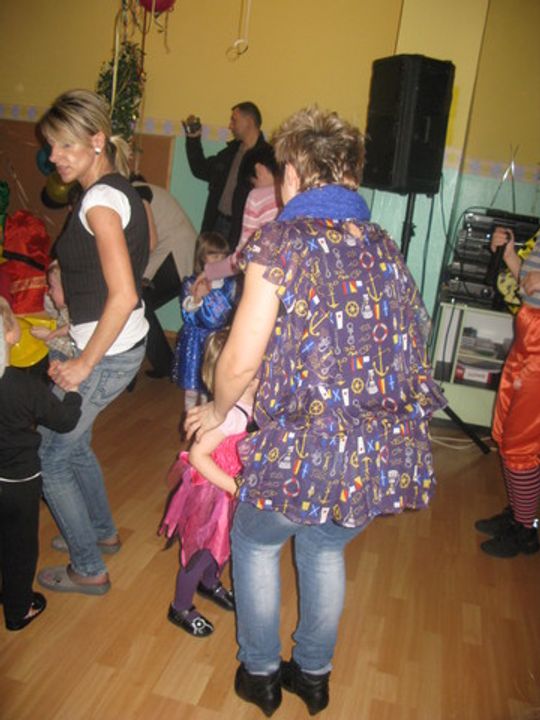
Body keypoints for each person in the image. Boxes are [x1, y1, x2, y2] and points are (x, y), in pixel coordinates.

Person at [185, 106, 446, 716]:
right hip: (382, 453)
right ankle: (314, 676)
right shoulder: (384, 246)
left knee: (255, 542)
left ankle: (260, 674)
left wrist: (217, 413)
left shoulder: (281, 243)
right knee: (325, 548)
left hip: (311, 449)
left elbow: (238, 362)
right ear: (352, 174)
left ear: (293, 174)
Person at [34, 89, 150, 595]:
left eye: (64, 145)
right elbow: (115, 277)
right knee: (75, 446)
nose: (53, 156)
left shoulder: (99, 201)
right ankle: (101, 531)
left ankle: (88, 568)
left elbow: (123, 294)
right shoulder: (116, 189)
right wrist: (72, 325)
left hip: (107, 354)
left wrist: (82, 361)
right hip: (119, 343)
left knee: (51, 456)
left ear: (96, 141)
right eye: (50, 146)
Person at [161, 329, 258, 636]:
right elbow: (197, 456)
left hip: (232, 488)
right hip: (213, 494)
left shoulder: (251, 403)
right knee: (201, 550)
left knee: (225, 543)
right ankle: (180, 606)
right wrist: (234, 486)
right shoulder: (229, 416)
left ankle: (209, 582)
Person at [0, 297, 82, 630]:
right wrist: (73, 392)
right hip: (18, 481)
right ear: (10, 335)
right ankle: (18, 610)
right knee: (20, 547)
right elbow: (64, 421)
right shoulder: (21, 386)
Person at [475, 226, 540, 557]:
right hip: (529, 334)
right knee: (504, 431)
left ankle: (527, 530)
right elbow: (530, 286)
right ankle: (520, 513)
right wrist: (511, 256)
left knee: (520, 444)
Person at [130, 175, 198, 379]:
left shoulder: (137, 192)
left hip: (174, 253)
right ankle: (163, 364)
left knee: (138, 305)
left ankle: (165, 365)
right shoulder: (143, 188)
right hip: (179, 252)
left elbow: (148, 241)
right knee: (139, 306)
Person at [184, 102, 272, 250]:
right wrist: (193, 138)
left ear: (249, 121)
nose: (230, 126)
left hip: (242, 231)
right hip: (216, 223)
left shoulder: (266, 157)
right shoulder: (230, 152)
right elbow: (200, 169)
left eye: (234, 120)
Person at [172, 232, 237, 416]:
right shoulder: (191, 283)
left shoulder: (229, 284)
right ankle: (190, 416)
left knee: (211, 384)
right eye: (214, 255)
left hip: (216, 341)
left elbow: (228, 311)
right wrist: (197, 298)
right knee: (192, 386)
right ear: (202, 256)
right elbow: (187, 312)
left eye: (223, 256)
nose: (219, 260)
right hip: (195, 340)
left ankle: (206, 416)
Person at [200, 144, 281, 284]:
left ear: (259, 170)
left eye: (253, 183)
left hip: (263, 282)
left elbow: (243, 256)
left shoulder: (257, 197)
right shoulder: (298, 196)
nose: (254, 187)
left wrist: (209, 272)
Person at [30, 261, 74, 361]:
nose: (49, 292)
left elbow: (77, 352)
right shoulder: (64, 310)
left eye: (52, 287)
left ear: (67, 289)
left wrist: (49, 336)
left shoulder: (77, 315)